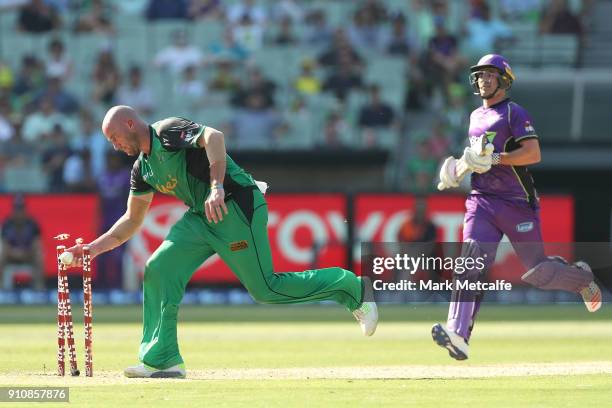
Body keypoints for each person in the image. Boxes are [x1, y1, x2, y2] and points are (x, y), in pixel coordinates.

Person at [63, 105, 377, 378]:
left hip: (235, 206)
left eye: (113, 137)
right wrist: (93, 249)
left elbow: (214, 137)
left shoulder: (167, 131)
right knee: (159, 267)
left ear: (130, 124)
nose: (114, 146)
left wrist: (216, 187)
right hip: (201, 217)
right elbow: (131, 221)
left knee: (265, 289)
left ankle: (351, 287)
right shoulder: (142, 169)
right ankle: (162, 360)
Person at [433, 54, 602, 361]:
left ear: (504, 79)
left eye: (489, 75)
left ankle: (582, 280)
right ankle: (458, 335)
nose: (483, 80)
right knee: (470, 263)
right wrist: (457, 169)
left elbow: (533, 153)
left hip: (516, 204)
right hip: (482, 201)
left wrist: (496, 159)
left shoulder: (513, 111)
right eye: (479, 75)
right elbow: (476, 156)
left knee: (538, 272)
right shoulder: (474, 116)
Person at [0, 194, 44, 290]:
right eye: (16, 208)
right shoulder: (7, 224)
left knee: (39, 254)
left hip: (28, 254)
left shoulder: (32, 223)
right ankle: (2, 288)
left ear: (25, 209)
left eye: (21, 208)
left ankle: (39, 289)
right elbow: (4, 244)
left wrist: (25, 253)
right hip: (11, 255)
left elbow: (36, 243)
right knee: (1, 254)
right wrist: (14, 253)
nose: (19, 212)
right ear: (13, 209)